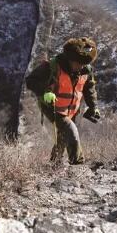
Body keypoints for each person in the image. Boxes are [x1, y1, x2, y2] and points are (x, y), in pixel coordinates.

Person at [25, 37, 100, 165]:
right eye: (77, 63)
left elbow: (89, 89)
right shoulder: (52, 66)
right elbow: (31, 80)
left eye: (83, 64)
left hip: (72, 109)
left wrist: (93, 107)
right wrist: (45, 92)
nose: (80, 66)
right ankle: (78, 165)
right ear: (70, 59)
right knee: (71, 131)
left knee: (63, 137)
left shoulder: (86, 70)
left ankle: (54, 163)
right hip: (53, 107)